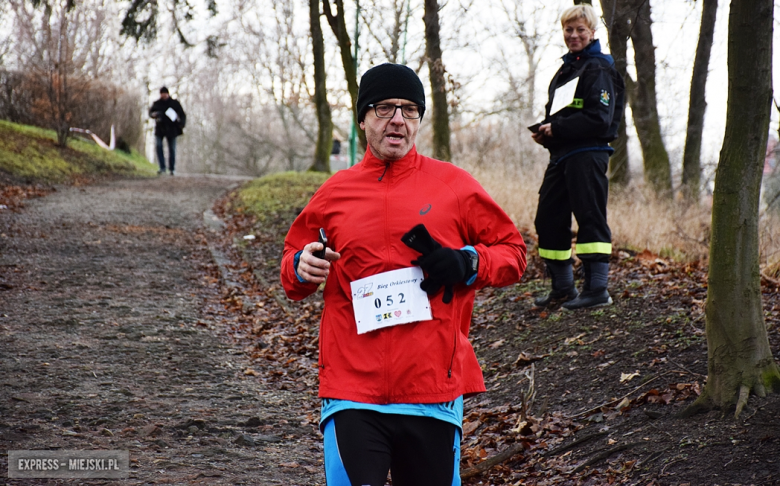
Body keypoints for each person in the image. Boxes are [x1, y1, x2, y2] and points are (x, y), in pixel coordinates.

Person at [280, 63, 527, 486]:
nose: (398, 119)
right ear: (362, 119)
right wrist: (302, 264)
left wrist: (468, 262)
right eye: (384, 108)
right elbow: (292, 269)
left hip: (431, 390)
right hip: (352, 391)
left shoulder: (454, 186)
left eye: (410, 109)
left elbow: (514, 253)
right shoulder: (335, 192)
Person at [530, 4, 625, 310]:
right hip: (561, 156)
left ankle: (597, 290)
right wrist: (546, 134)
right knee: (547, 218)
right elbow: (557, 116)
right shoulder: (566, 70)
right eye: (568, 30)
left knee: (590, 217)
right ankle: (563, 289)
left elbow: (599, 119)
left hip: (589, 154)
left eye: (580, 30)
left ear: (592, 32)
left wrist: (556, 128)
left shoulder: (600, 68)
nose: (573, 35)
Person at [148, 87, 186, 175]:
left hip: (172, 129)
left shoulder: (174, 103)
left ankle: (172, 168)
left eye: (165, 93)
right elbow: (150, 113)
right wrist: (154, 115)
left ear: (168, 94)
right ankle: (162, 167)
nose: (163, 95)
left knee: (172, 149)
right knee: (158, 146)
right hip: (160, 129)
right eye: (162, 93)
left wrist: (182, 124)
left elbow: (182, 114)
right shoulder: (156, 104)